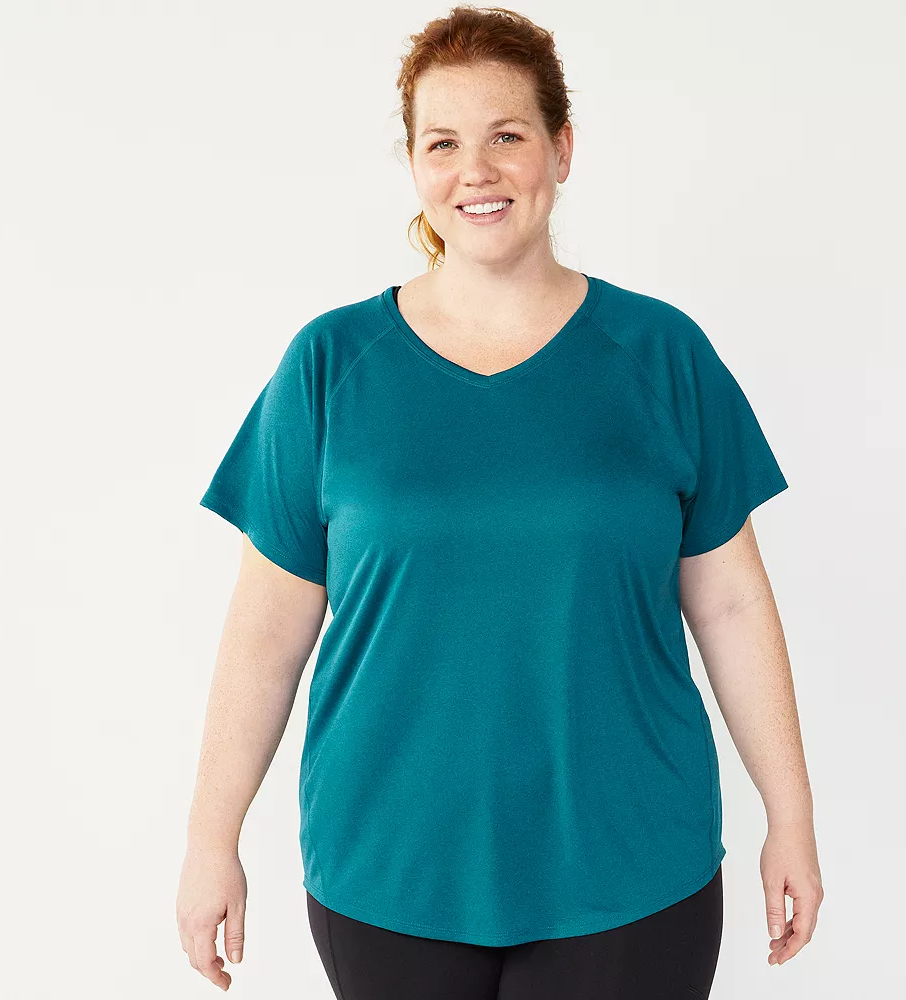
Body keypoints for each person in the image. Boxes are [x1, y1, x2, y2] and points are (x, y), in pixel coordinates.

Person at [176, 5, 823, 996]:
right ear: (413, 164)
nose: (474, 171)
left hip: (629, 862)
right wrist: (209, 839)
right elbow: (267, 631)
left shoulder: (661, 355)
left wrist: (791, 816)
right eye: (442, 143)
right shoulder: (330, 365)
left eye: (506, 135)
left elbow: (731, 605)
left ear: (561, 149)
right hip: (390, 865)